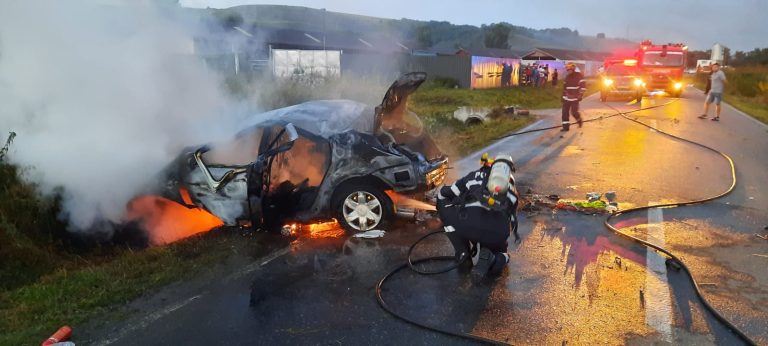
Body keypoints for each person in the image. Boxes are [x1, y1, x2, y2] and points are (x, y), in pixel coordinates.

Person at [437, 154, 520, 281]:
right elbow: (511, 219)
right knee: (503, 253)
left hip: (468, 227)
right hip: (495, 234)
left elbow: (447, 193)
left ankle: (463, 254)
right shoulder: (511, 190)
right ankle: (494, 258)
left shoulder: (472, 176)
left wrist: (442, 199)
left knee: (444, 205)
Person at [561, 62, 585, 131]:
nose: (568, 71)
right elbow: (564, 88)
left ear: (573, 69)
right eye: (567, 70)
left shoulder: (579, 76)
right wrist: (562, 97)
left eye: (570, 69)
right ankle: (566, 127)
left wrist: (580, 95)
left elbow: (583, 86)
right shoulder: (567, 77)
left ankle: (579, 120)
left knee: (574, 112)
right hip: (567, 98)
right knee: (564, 113)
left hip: (575, 98)